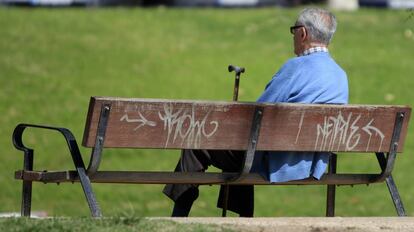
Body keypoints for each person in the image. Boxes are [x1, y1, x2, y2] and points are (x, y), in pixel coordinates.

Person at [163, 7, 349, 217]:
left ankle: (178, 218)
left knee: (196, 143)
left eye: (294, 30)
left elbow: (256, 114)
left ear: (303, 33)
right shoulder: (340, 75)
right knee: (245, 147)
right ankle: (243, 220)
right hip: (313, 163)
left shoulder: (294, 68)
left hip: (277, 160)